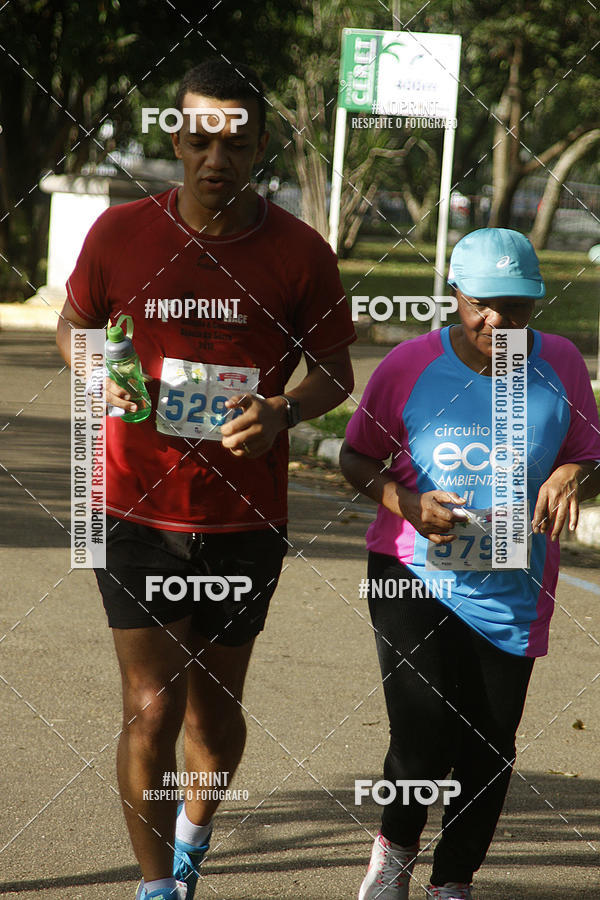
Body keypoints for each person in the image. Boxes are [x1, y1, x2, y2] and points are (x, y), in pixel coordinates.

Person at [56, 60, 355, 900]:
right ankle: (158, 887)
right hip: (132, 509)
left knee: (212, 716)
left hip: (243, 519)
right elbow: (73, 328)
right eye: (198, 139)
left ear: (259, 147)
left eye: (235, 143)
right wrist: (96, 373)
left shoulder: (300, 253)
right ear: (178, 140)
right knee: (150, 706)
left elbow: (335, 373)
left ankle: (192, 835)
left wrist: (282, 412)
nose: (215, 159)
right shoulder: (119, 234)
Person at [340, 228, 600, 900]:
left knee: (489, 744)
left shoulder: (561, 363)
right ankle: (395, 850)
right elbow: (355, 456)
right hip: (413, 572)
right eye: (483, 304)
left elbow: (587, 451)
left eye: (517, 307)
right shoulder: (409, 365)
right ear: (454, 294)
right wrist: (406, 502)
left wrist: (570, 474)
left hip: (513, 582)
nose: (498, 322)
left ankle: (453, 880)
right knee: (422, 727)